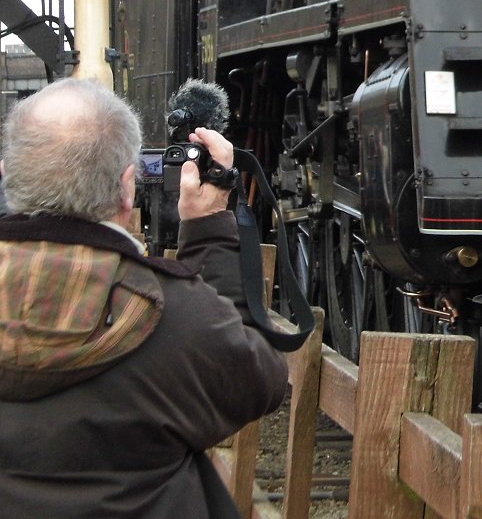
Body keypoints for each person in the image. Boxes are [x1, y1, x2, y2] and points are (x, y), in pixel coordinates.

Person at [0, 78, 289, 518]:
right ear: (127, 186)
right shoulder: (174, 314)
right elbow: (257, 379)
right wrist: (209, 226)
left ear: (6, 175)